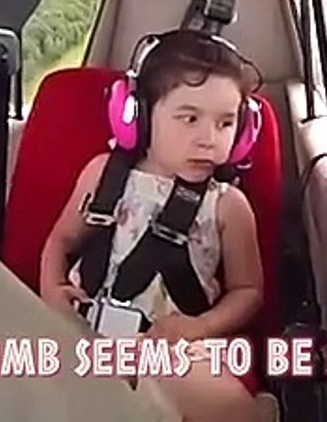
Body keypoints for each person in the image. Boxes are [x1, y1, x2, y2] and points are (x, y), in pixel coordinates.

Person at [39, 30, 271, 422]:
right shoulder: (102, 175)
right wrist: (50, 291)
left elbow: (248, 291)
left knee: (228, 408)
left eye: (226, 123)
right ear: (139, 116)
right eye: (190, 118)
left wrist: (199, 327)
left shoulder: (228, 206)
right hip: (85, 332)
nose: (208, 140)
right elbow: (61, 240)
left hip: (170, 345)